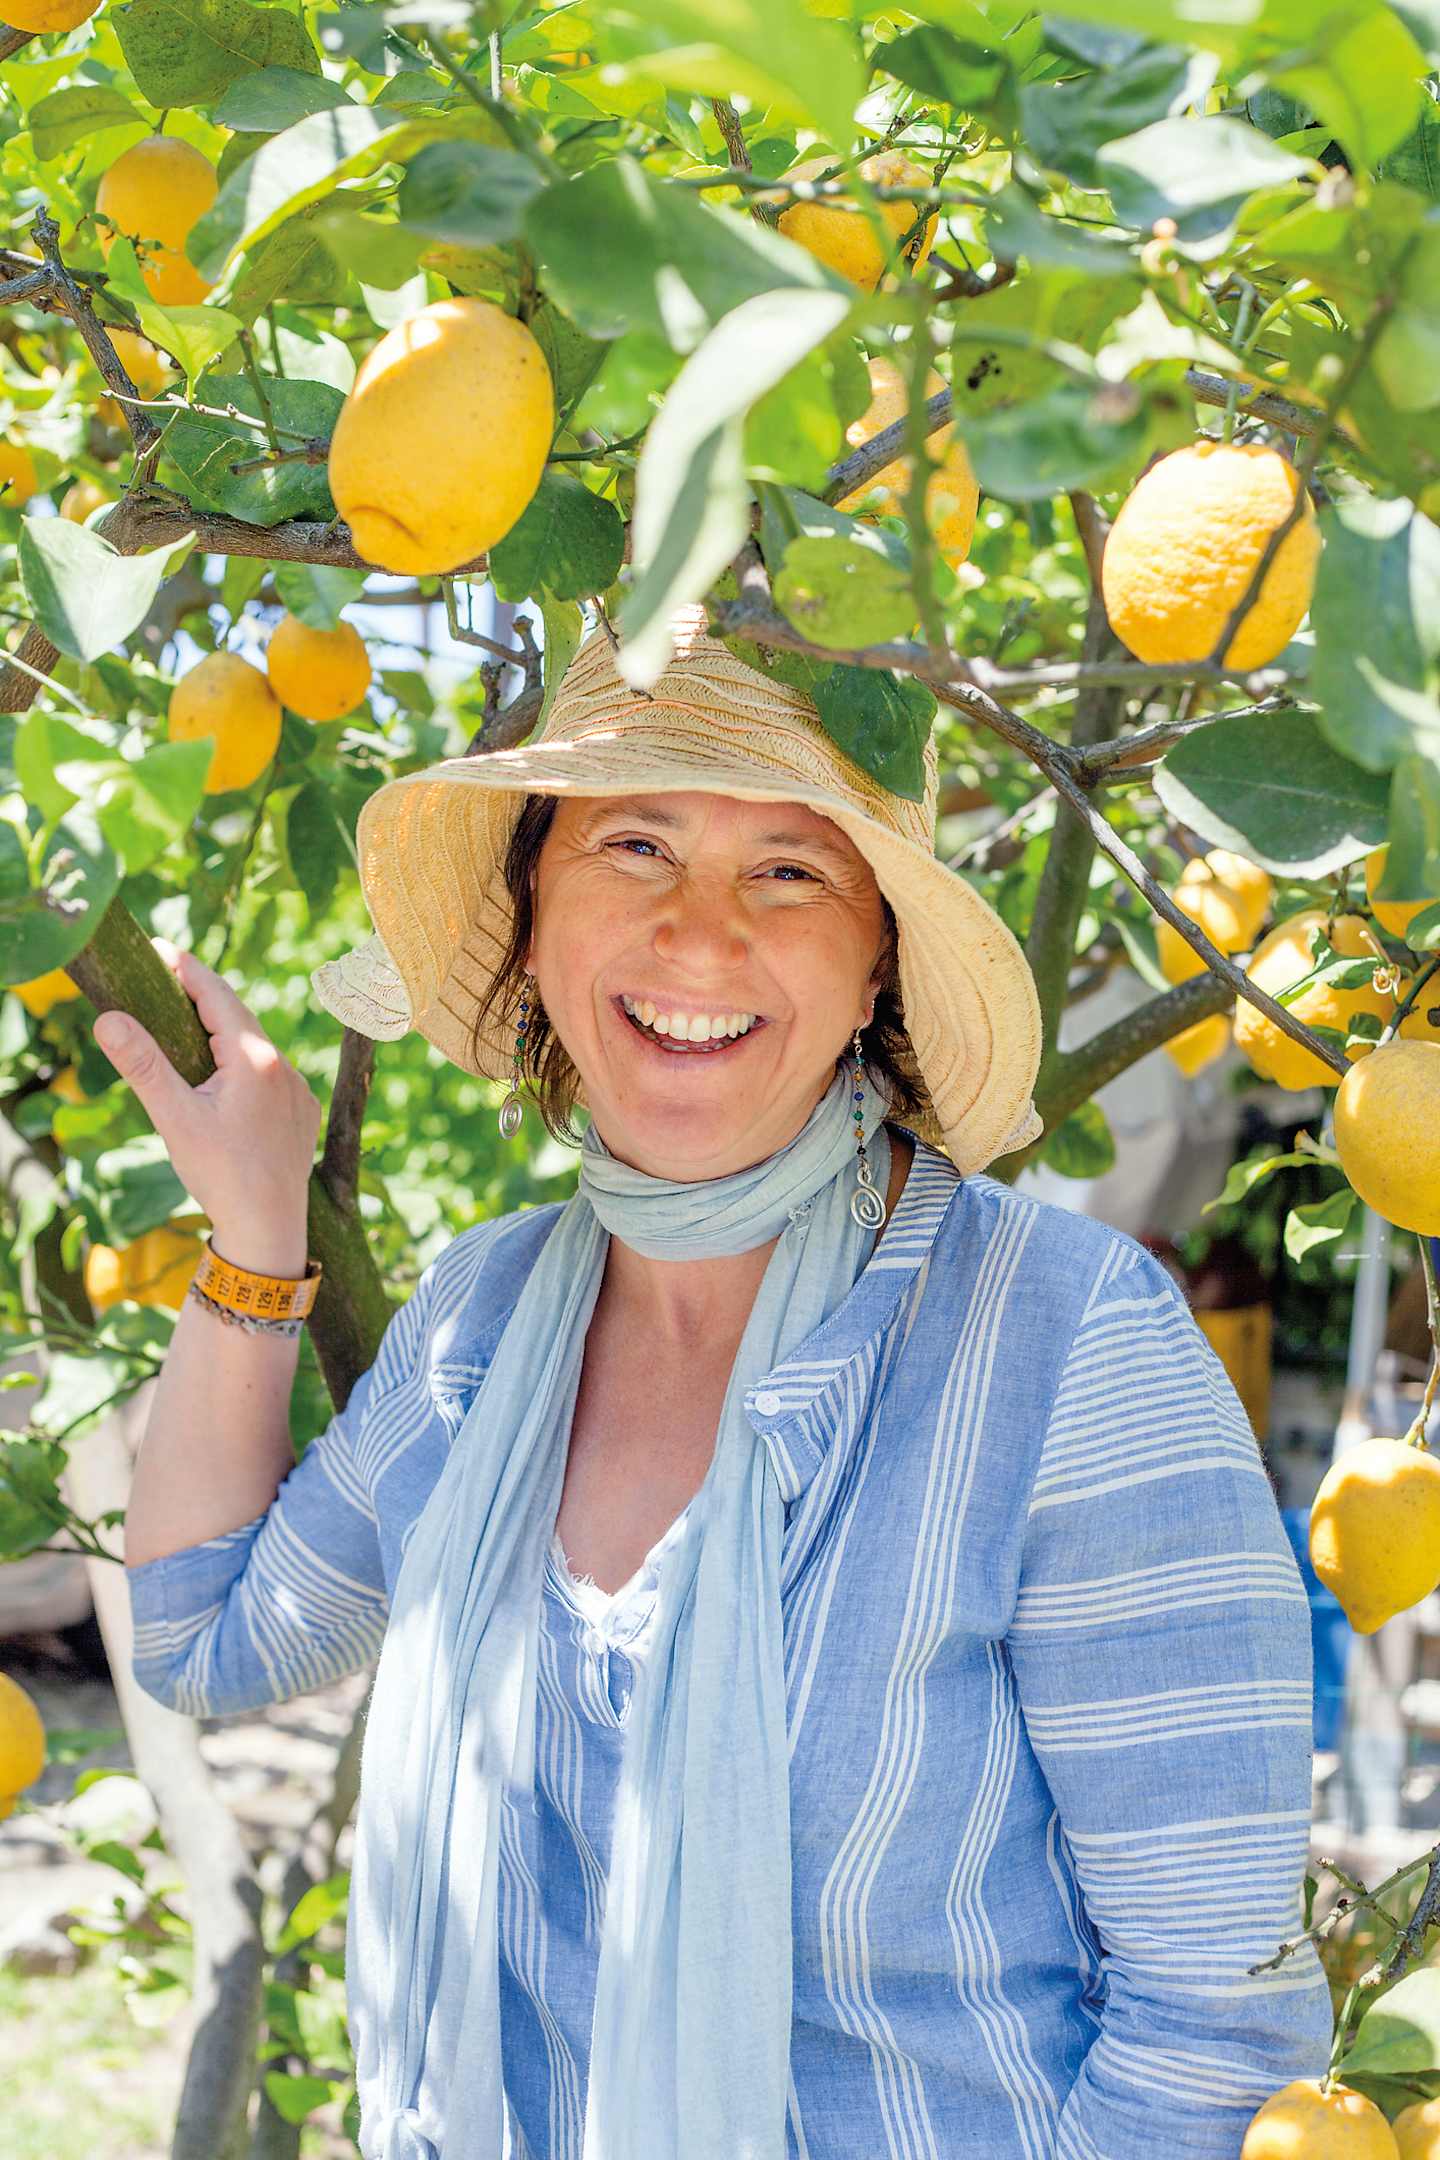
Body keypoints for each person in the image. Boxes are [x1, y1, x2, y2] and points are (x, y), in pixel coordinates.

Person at [113, 611, 1332, 2160]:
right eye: (632, 845)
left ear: (875, 952)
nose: (701, 934)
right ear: (532, 916)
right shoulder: (483, 1323)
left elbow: (1215, 2034)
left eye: (790, 868)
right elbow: (200, 1635)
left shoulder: (1068, 1342)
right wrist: (256, 1227)